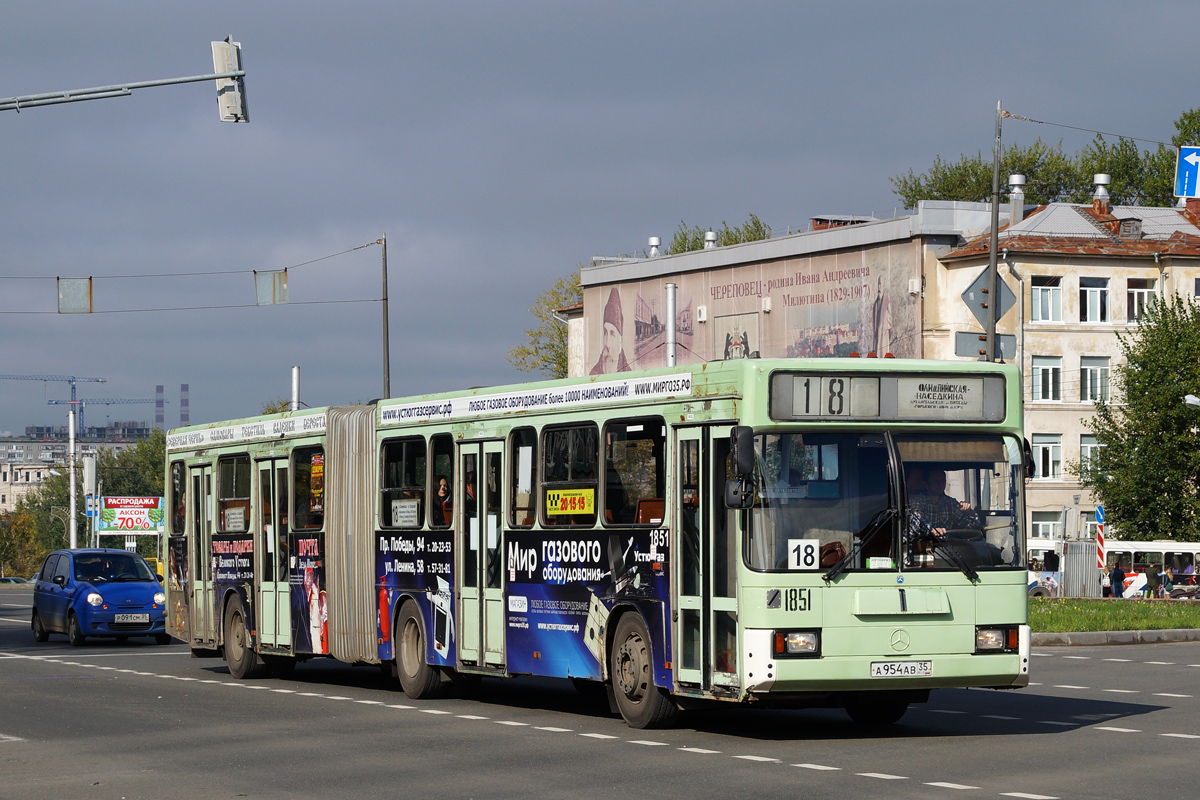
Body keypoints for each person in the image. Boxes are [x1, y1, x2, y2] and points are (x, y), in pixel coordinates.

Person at [910, 468, 980, 534]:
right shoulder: (917, 500)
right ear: (926, 484)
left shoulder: (950, 503)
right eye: (936, 481)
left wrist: (968, 512)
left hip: (946, 545)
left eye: (942, 481)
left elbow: (972, 526)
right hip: (922, 545)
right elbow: (915, 524)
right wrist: (931, 530)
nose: (940, 484)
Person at [590, 288, 631, 375]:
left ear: (621, 340)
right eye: (605, 333)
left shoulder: (630, 375)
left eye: (612, 334)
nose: (607, 343)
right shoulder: (592, 375)